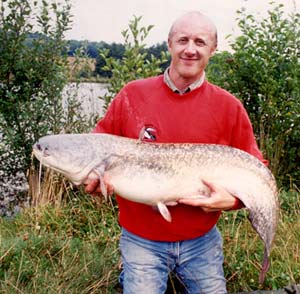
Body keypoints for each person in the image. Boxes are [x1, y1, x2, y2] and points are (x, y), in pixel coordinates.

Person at [85, 11, 267, 294]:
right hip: (141, 239)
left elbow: (256, 170)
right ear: (169, 44)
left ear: (213, 49)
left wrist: (231, 202)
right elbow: (95, 148)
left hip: (201, 241)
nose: (190, 49)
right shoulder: (132, 95)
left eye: (200, 41)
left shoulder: (229, 107)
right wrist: (92, 179)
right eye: (182, 40)